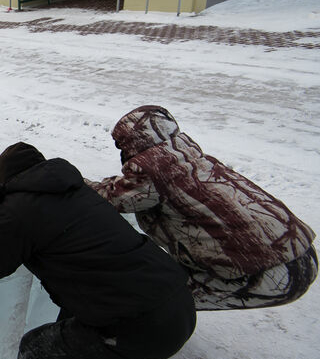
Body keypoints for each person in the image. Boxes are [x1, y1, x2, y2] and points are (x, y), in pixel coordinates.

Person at [0, 142, 196, 359]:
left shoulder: (19, 208)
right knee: (72, 319)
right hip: (174, 295)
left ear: (3, 178)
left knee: (36, 349)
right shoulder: (75, 189)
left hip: (145, 325)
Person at [89, 105, 316, 311]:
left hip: (266, 276)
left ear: (132, 141)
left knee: (149, 296)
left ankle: (122, 342)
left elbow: (111, 198)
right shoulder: (190, 160)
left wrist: (73, 179)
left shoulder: (154, 172)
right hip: (302, 255)